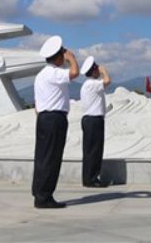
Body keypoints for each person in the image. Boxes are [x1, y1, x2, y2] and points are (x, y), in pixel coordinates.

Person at [32, 35, 80, 209]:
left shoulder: (41, 75)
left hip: (44, 117)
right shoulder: (54, 72)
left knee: (42, 156)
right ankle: (45, 197)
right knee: (52, 158)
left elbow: (36, 104)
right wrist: (72, 58)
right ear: (58, 56)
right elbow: (74, 73)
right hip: (54, 118)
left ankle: (39, 192)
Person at [80, 55, 111, 188]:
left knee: (89, 150)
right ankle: (92, 178)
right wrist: (104, 71)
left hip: (90, 119)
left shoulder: (87, 84)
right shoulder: (92, 84)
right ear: (93, 71)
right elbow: (107, 81)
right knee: (94, 150)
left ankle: (89, 178)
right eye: (96, 68)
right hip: (94, 119)